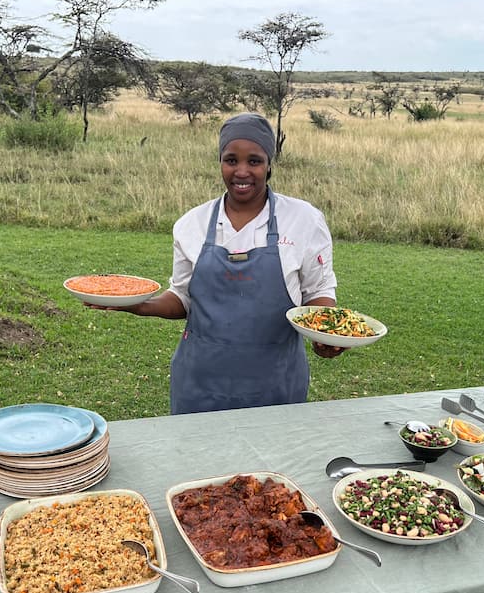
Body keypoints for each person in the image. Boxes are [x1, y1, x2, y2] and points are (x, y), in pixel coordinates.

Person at [89, 112, 344, 414]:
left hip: (276, 384)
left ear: (269, 164)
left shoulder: (302, 219)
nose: (242, 171)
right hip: (200, 384)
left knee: (272, 461)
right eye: (231, 160)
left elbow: (318, 291)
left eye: (254, 161)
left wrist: (327, 333)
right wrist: (136, 304)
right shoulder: (191, 224)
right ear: (220, 162)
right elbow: (182, 299)